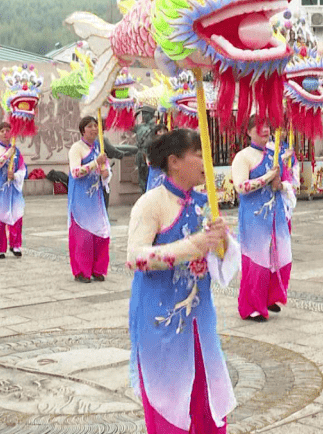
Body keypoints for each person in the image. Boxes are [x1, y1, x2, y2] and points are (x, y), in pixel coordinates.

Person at [127, 128, 236, 433]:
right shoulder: (151, 203)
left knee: (206, 396)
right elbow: (134, 257)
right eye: (198, 154)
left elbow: (219, 260)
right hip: (161, 319)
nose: (206, 161)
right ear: (174, 161)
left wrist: (221, 242)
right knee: (170, 398)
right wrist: (193, 246)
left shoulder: (205, 202)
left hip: (200, 320)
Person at [232, 117, 292, 321]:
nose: (265, 130)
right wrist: (268, 177)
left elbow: (283, 183)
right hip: (254, 216)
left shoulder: (275, 154)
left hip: (275, 214)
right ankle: (251, 306)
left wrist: (280, 184)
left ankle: (268, 297)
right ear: (248, 132)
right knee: (257, 261)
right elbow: (241, 187)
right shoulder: (243, 157)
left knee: (279, 257)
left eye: (268, 126)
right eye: (260, 127)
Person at [67, 116, 111, 283]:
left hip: (96, 199)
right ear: (82, 130)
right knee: (83, 236)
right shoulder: (76, 148)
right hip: (80, 199)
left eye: (96, 126)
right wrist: (94, 163)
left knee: (101, 234)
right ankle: (81, 271)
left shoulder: (99, 147)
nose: (94, 129)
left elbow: (104, 169)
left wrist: (106, 173)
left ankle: (97, 269)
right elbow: (75, 173)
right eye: (90, 126)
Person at [0, 123, 26, 258]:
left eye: (8, 130)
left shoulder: (17, 151)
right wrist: (7, 154)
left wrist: (15, 175)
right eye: (2, 131)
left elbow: (22, 169)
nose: (5, 133)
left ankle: (15, 245)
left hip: (13, 189)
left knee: (16, 215)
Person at [145, 124, 169, 191]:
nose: (163, 133)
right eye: (160, 131)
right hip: (156, 168)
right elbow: (148, 155)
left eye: (164, 131)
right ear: (156, 132)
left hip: (165, 169)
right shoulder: (152, 142)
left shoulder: (170, 142)